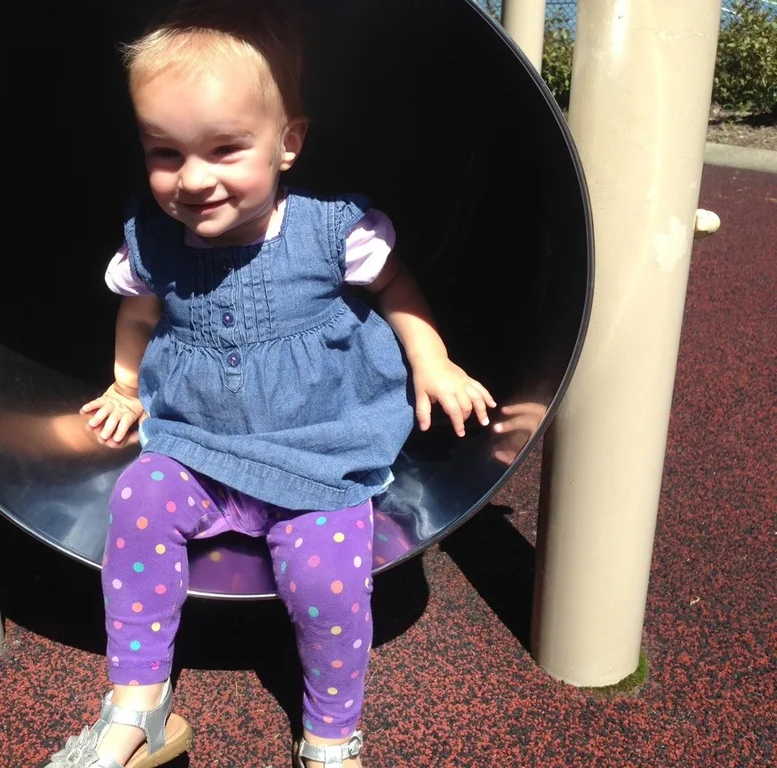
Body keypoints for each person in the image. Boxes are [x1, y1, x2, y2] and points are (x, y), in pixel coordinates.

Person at [46, 2, 495, 766]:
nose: (192, 180)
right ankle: (138, 704)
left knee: (325, 583)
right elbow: (138, 315)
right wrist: (125, 386)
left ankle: (329, 735)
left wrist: (432, 358)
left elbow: (396, 286)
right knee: (138, 499)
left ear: (287, 142)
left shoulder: (331, 229)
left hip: (319, 450)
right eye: (165, 152)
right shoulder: (152, 241)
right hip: (200, 442)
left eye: (225, 149)